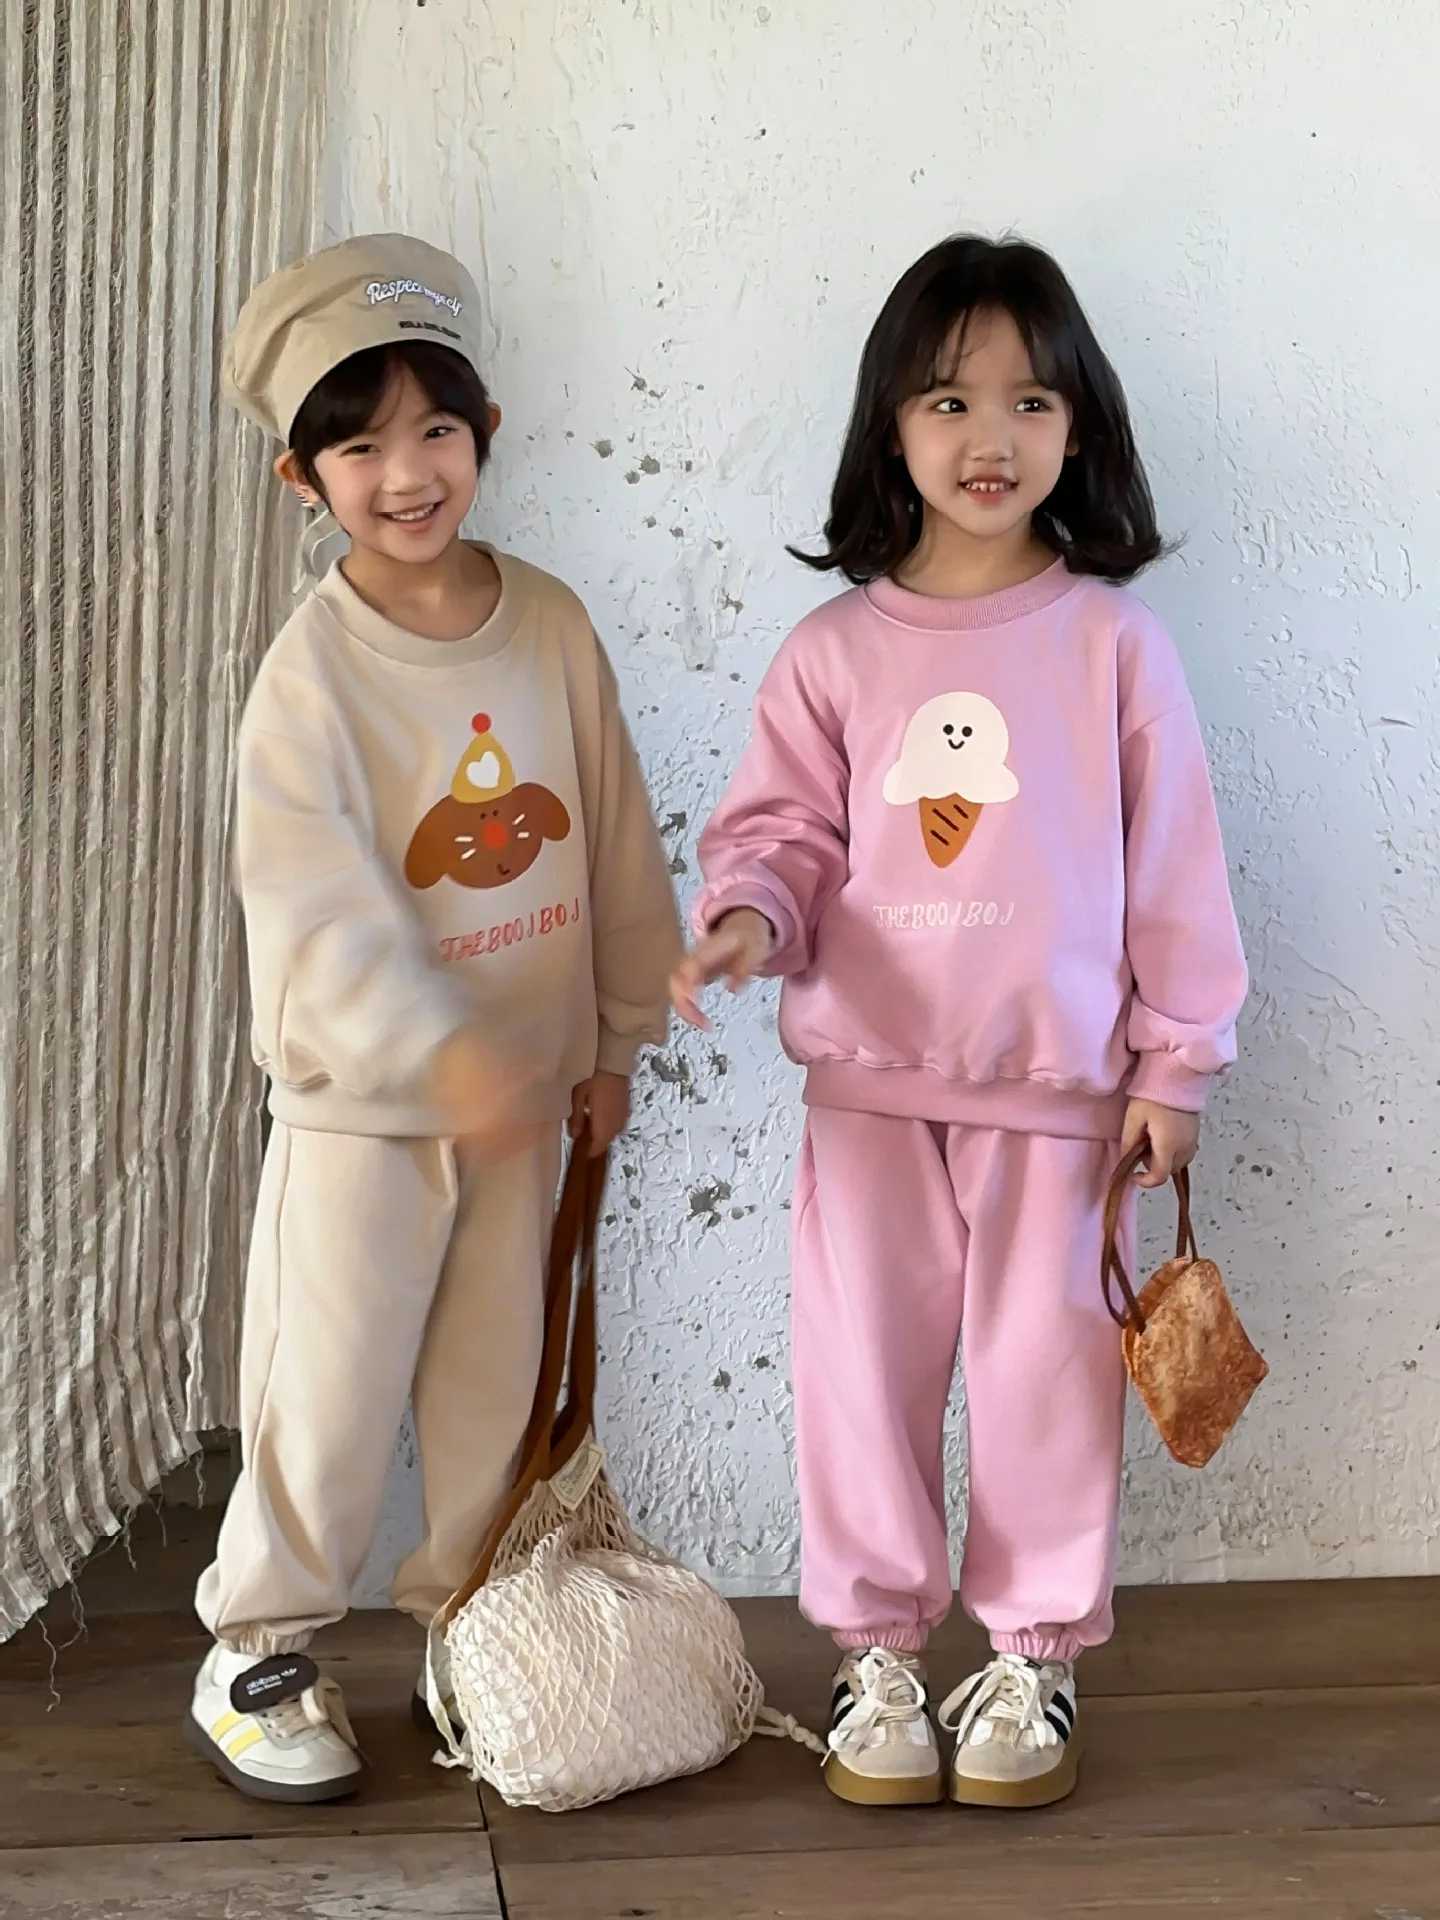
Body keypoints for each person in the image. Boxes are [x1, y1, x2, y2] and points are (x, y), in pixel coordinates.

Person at [672, 236, 1247, 1811]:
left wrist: (1177, 1060)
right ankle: (876, 1661)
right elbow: (783, 836)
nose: (991, 436)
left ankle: (1034, 1659)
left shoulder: (1115, 646)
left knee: (1045, 1382)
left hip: (1062, 1103)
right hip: (868, 1095)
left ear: (1080, 429)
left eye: (1029, 401)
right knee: (860, 1379)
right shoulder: (835, 653)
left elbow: (1176, 866)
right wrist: (745, 921)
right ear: (892, 424)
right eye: (949, 398)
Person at [189, 234, 679, 1803]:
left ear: (485, 434)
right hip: (367, 1122)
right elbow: (317, 909)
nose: (406, 473)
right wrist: (441, 1052)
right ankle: (257, 1643)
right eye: (360, 445)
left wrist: (613, 1044)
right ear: (302, 476)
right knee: (325, 1395)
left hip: (528, 1107)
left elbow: (615, 840)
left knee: (494, 1388)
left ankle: (472, 1625)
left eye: (436, 430)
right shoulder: (310, 680)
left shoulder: (551, 627)